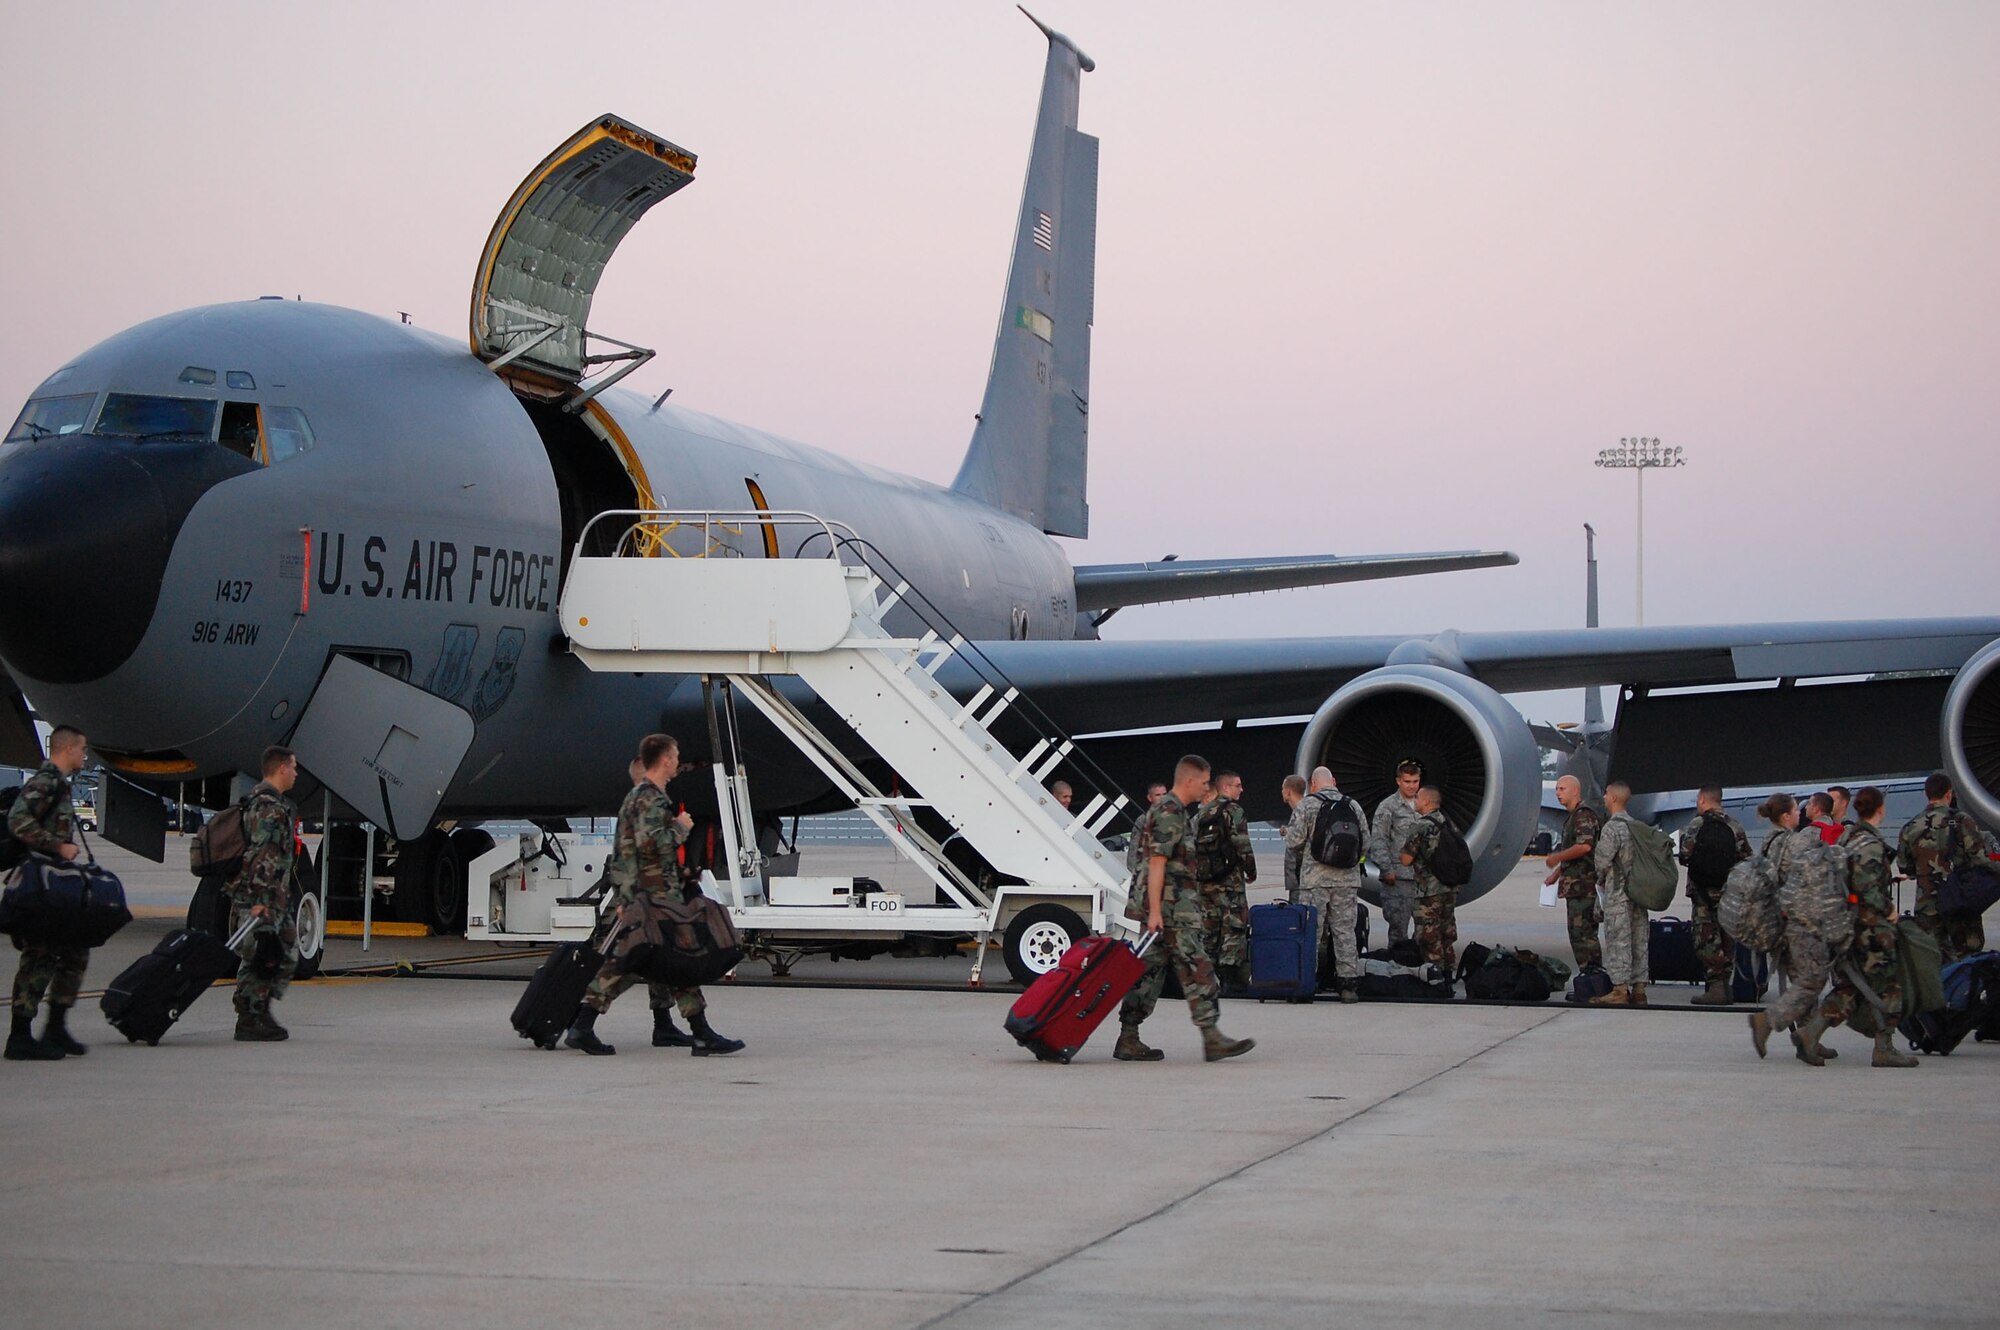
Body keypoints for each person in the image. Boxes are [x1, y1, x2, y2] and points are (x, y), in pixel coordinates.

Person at [567, 734, 743, 1056]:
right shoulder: (649, 799)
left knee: (661, 960)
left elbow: (628, 850)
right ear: (665, 760)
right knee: (667, 957)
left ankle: (592, 1024)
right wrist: (680, 827)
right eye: (675, 756)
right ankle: (585, 1023)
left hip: (649, 893)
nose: (677, 761)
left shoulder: (640, 797)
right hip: (655, 896)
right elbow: (650, 845)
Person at [1113, 755, 1254, 1063]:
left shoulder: (1174, 812)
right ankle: (1211, 1036)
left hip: (1170, 910)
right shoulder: (1170, 813)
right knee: (1199, 968)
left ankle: (1129, 1036)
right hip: (1171, 911)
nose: (1207, 789)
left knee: (1148, 973)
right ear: (1190, 781)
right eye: (1205, 783)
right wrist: (1154, 912)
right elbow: (1156, 864)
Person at [5, 725, 91, 1061]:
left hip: (56, 882)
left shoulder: (62, 785)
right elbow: (18, 819)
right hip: (41, 882)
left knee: (75, 951)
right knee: (39, 956)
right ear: (67, 749)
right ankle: (20, 1036)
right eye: (81, 749)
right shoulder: (46, 782)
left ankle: (56, 1025)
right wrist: (56, 846)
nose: (84, 755)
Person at [1818, 786, 1917, 1068]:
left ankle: (1809, 1033)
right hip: (1872, 929)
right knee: (1890, 986)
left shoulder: (1850, 837)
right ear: (1881, 810)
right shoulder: (1871, 844)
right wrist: (1889, 910)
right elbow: (1867, 888)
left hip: (1851, 924)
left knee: (1851, 987)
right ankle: (1884, 1048)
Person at [225, 745, 303, 1042]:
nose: (296, 773)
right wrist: (260, 902)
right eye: (293, 767)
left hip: (273, 897)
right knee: (264, 955)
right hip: (263, 899)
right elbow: (262, 855)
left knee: (279, 953)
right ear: (282, 768)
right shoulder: (268, 807)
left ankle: (257, 1010)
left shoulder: (263, 802)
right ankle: (250, 1015)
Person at [1748, 793, 1828, 1062]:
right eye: (1796, 810)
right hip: (1793, 922)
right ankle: (1768, 1022)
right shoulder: (1792, 843)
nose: (1800, 814)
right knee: (1811, 979)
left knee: (1802, 978)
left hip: (1774, 920)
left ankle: (1810, 1038)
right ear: (1785, 816)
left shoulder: (1769, 841)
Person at [1282, 767, 1365, 1002]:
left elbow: (1294, 841)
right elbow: (1365, 843)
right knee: (1345, 932)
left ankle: (1307, 984)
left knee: (1312, 933)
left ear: (1313, 784)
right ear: (1334, 781)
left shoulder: (1308, 805)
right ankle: (1348, 985)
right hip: (1347, 881)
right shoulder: (1353, 805)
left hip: (1314, 881)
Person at [1897, 772, 1991, 962]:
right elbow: (1980, 859)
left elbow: (1904, 866)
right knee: (1967, 959)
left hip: (1927, 907)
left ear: (1926, 794)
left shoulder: (1911, 826)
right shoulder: (1962, 821)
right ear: (1949, 794)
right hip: (1960, 902)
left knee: (1933, 961)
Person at [1676, 785, 1751, 1005]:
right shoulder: (1735, 826)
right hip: (1729, 894)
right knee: (1727, 938)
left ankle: (1716, 986)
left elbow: (1684, 856)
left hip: (1702, 894)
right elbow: (1746, 857)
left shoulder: (1697, 825)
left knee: (1706, 939)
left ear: (1702, 800)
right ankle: (1725, 986)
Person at [1193, 770, 1256, 989]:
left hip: (1205, 881)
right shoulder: (1234, 811)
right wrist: (1251, 871)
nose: (1241, 789)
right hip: (1230, 880)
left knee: (1209, 927)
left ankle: (1207, 976)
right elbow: (1242, 845)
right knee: (1234, 925)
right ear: (1226, 788)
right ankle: (1231, 977)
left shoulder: (1201, 814)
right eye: (1237, 785)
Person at [1590, 781, 1650, 1006]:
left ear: (1613, 798)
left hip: (1618, 894)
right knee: (1639, 939)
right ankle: (1640, 989)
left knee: (1619, 940)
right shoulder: (1638, 826)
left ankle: (1620, 989)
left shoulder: (1612, 828)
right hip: (1639, 893)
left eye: (1606, 794)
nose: (1604, 797)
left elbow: (1602, 862)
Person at [1543, 775, 1603, 973]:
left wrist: (1557, 856)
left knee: (1583, 934)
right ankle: (1589, 978)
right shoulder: (1573, 817)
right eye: (1557, 789)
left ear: (1575, 791)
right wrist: (1557, 873)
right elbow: (1576, 853)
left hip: (1584, 888)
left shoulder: (1583, 815)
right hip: (1576, 886)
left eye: (1562, 789)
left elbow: (1584, 847)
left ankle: (1593, 977)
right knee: (1578, 933)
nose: (1558, 794)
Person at [1398, 785, 1458, 978]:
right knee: (1446, 931)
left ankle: (1435, 975)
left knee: (1428, 934)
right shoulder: (1448, 823)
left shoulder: (1421, 825)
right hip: (1449, 887)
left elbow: (1406, 859)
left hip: (1428, 890)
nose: (1414, 800)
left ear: (1425, 801)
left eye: (1417, 797)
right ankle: (1448, 972)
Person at [1369, 760, 1424, 943]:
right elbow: (1378, 840)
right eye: (1407, 782)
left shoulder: (1424, 805)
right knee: (1398, 928)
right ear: (1398, 781)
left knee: (1424, 929)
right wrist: (1386, 869)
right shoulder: (1388, 807)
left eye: (1415, 781)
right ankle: (1398, 965)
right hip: (1398, 878)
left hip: (1423, 877)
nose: (1412, 786)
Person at [1279, 774, 1308, 901]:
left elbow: (1299, 840)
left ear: (1288, 791)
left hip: (1301, 877)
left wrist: (1288, 832)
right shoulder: (1301, 810)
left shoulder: (1301, 810)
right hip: (1299, 877)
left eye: (1282, 789)